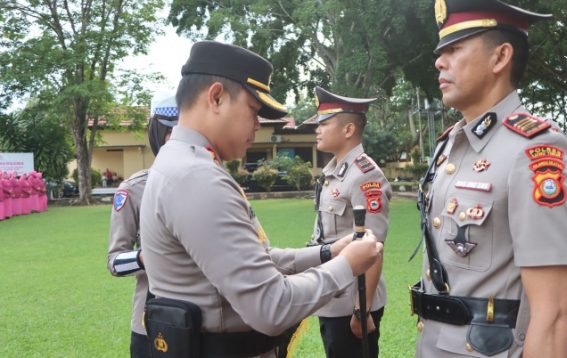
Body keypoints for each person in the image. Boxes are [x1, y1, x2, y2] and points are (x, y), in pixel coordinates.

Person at [139, 40, 383, 358]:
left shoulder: (180, 164)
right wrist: (346, 266)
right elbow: (272, 307)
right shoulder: (197, 178)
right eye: (254, 111)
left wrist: (329, 252)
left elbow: (258, 259)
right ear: (216, 98)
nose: (257, 124)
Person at [411, 1, 567, 356]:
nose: (439, 62)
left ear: (500, 58)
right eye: (440, 51)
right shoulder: (449, 144)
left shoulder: (535, 150)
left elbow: (554, 315)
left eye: (454, 49)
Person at [307, 86, 392, 358]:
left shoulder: (365, 176)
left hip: (352, 305)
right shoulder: (333, 172)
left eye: (325, 123)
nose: (317, 129)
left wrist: (360, 309)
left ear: (348, 130)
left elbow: (373, 249)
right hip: (332, 297)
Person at [107, 94, 179, 358]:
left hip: (202, 317)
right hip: (150, 320)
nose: (174, 138)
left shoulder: (212, 185)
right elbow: (114, 261)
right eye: (168, 130)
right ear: (157, 134)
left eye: (180, 130)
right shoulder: (133, 190)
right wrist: (145, 257)